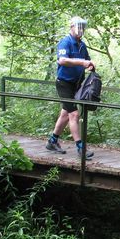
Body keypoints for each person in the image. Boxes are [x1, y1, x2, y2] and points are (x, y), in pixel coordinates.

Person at [46, 16, 96, 158]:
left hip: (76, 84)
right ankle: (81, 148)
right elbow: (62, 60)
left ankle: (52, 141)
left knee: (65, 114)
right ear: (72, 27)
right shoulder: (65, 42)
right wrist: (81, 63)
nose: (80, 30)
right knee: (73, 114)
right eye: (78, 27)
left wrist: (90, 65)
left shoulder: (82, 45)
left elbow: (87, 60)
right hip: (64, 83)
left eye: (82, 28)